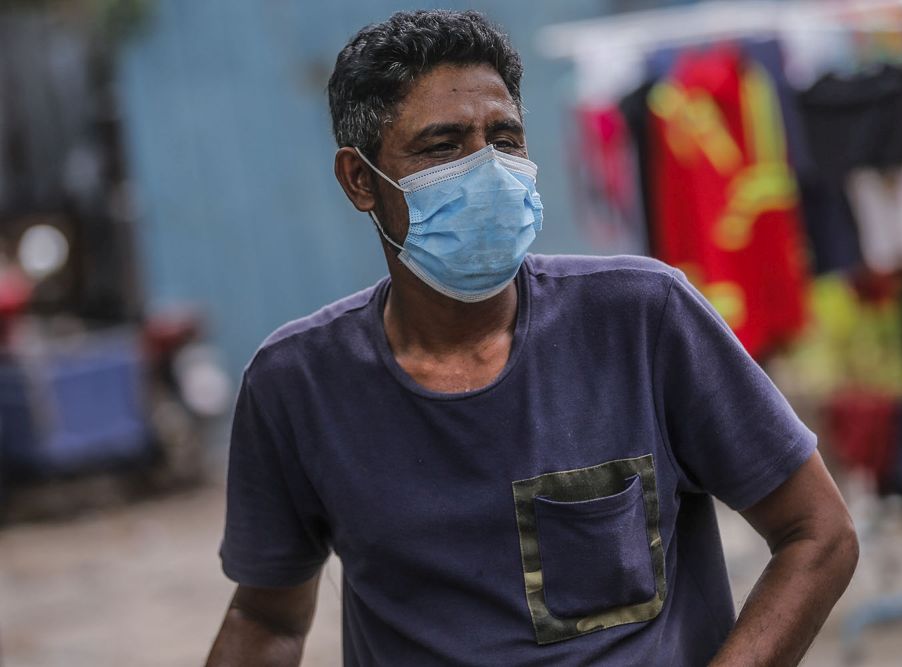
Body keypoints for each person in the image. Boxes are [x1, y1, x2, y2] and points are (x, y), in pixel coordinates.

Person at [206, 10, 858, 666]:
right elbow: (267, 618)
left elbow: (818, 532)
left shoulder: (642, 320)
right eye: (443, 145)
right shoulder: (298, 385)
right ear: (360, 180)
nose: (487, 171)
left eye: (505, 139)